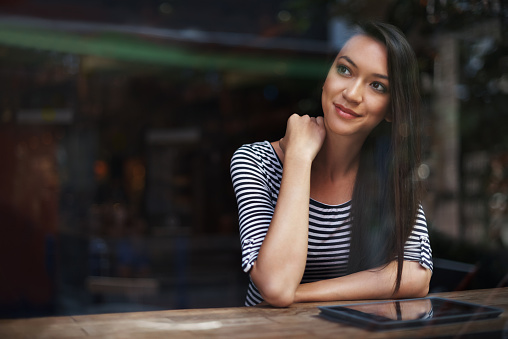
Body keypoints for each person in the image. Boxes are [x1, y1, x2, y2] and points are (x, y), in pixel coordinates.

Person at [230, 21, 433, 307]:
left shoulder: (388, 172)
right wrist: (299, 159)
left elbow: (414, 275)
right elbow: (275, 283)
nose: (352, 94)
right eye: (345, 70)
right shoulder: (256, 162)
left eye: (377, 85)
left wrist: (298, 294)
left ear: (391, 109)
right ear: (326, 77)